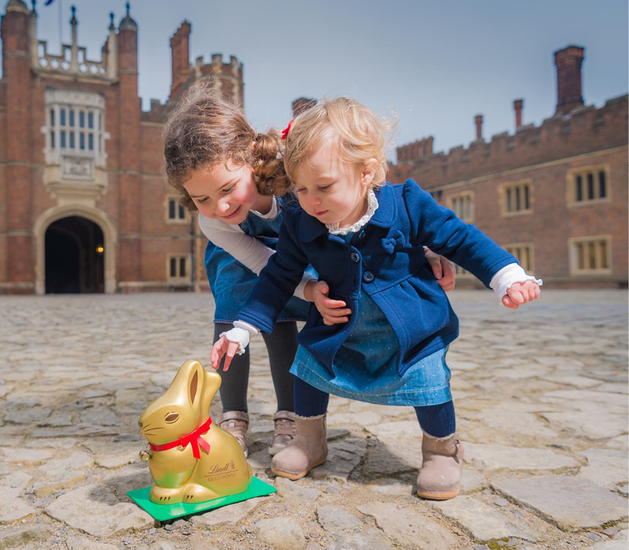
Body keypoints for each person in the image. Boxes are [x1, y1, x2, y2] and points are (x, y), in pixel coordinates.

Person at [211, 97, 541, 500]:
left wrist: (506, 275)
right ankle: (309, 439)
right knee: (308, 366)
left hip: (408, 326)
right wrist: (244, 328)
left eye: (324, 187)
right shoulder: (301, 221)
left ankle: (442, 450)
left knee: (430, 380)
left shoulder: (405, 202)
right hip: (339, 327)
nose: (311, 201)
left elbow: (459, 236)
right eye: (301, 189)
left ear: (366, 173)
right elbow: (279, 276)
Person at [164, 87, 456, 457]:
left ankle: (290, 417)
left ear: (252, 158)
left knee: (283, 320)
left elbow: (368, 205)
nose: (218, 206)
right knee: (235, 314)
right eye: (201, 199)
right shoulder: (216, 224)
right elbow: (265, 266)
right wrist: (306, 289)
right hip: (246, 258)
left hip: (299, 251)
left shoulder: (299, 172)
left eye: (227, 188)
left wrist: (422, 250)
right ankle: (233, 415)